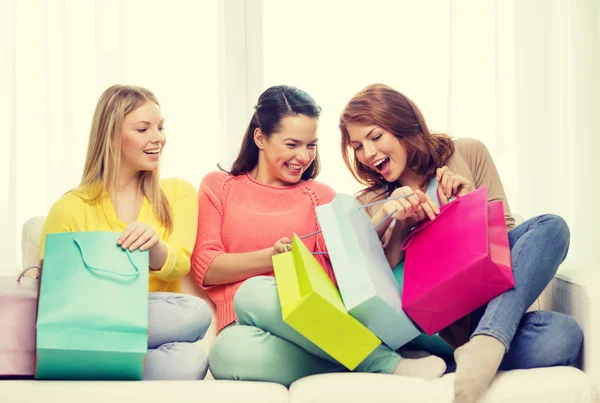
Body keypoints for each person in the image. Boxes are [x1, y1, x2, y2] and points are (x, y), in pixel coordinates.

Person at [339, 83, 584, 403]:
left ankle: (484, 344)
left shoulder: (467, 153)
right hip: (433, 329)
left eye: (375, 137)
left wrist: (469, 206)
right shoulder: (370, 200)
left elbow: (512, 243)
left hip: (483, 306)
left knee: (563, 318)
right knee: (560, 337)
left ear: (403, 126)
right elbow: (373, 284)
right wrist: (397, 220)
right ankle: (481, 347)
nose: (368, 153)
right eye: (357, 146)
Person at [191, 84, 445, 387]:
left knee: (254, 290)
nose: (303, 156)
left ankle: (380, 362)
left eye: (311, 145)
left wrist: (383, 217)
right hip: (245, 326)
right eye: (292, 144)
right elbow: (206, 267)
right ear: (260, 137)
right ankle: (366, 360)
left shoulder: (319, 196)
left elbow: (338, 271)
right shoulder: (219, 186)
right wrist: (271, 258)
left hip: (314, 325)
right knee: (225, 353)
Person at [39, 84, 211, 380]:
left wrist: (154, 246)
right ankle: (110, 359)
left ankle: (110, 365)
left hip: (150, 326)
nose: (158, 138)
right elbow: (53, 294)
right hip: (92, 318)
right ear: (111, 135)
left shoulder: (176, 193)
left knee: (194, 324)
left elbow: (179, 265)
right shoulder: (69, 208)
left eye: (160, 127)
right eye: (143, 129)